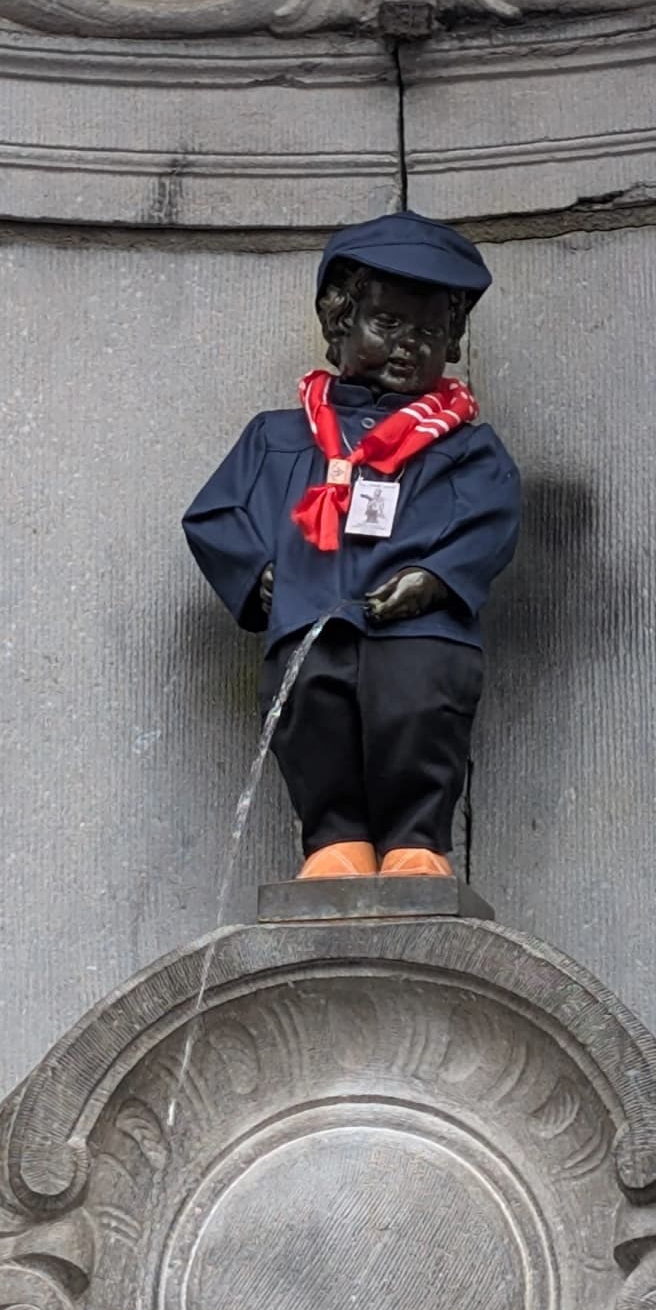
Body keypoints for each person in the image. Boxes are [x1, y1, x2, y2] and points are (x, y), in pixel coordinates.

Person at [183, 211, 520, 880]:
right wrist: (257, 575)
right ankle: (334, 841)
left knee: (420, 708)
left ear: (451, 343)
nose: (405, 346)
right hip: (310, 615)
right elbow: (216, 514)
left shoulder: (465, 446)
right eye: (387, 324)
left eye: (426, 332)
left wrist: (436, 576)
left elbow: (491, 516)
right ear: (339, 324)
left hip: (418, 628)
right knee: (310, 711)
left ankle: (415, 841)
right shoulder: (279, 436)